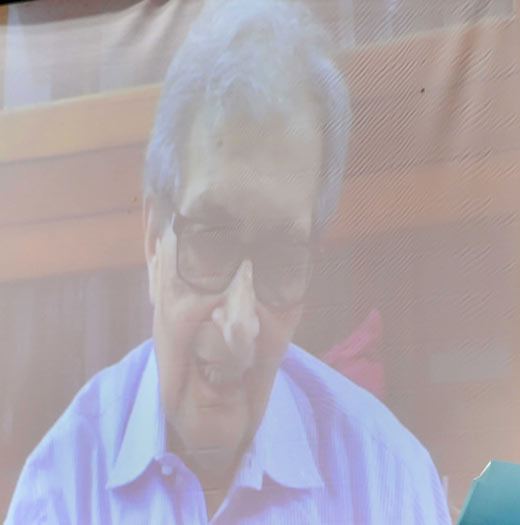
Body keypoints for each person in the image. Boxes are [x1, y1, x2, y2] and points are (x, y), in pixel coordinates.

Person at [6, 2, 450, 524]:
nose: (240, 326)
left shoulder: (389, 484)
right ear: (153, 241)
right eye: (211, 243)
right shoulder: (61, 490)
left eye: (281, 259)